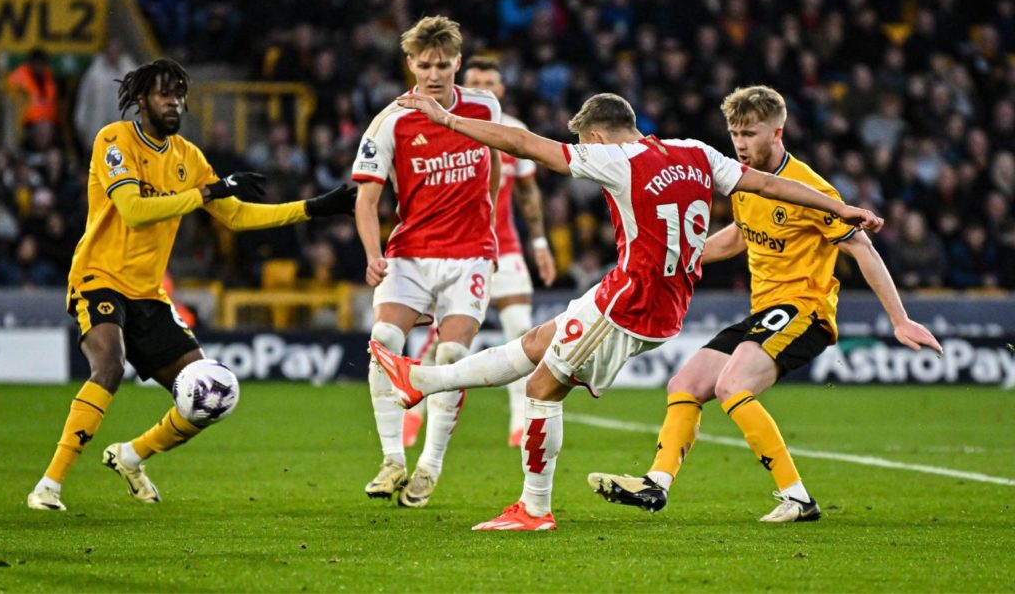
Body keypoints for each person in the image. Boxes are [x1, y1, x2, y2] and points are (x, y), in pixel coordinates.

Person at [370, 91, 883, 531]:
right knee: (534, 344)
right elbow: (770, 185)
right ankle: (424, 381)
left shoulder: (614, 159)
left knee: (541, 388)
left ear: (595, 136)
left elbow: (525, 145)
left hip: (631, 304)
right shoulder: (697, 152)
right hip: (650, 296)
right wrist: (839, 207)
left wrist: (449, 120)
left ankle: (534, 507)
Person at [587, 85, 942, 523]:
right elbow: (739, 235)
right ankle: (655, 485)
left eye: (749, 133)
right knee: (685, 382)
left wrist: (900, 319)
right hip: (766, 313)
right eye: (734, 132)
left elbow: (863, 249)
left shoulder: (808, 188)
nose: (739, 142)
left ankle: (797, 498)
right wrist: (682, 253)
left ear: (778, 131)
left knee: (732, 386)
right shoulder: (742, 180)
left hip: (805, 311)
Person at [26, 59, 356, 511]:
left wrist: (314, 207)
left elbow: (236, 215)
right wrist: (207, 194)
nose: (175, 102)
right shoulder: (114, 140)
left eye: (180, 95)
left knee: (211, 394)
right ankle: (50, 485)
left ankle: (132, 455)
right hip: (98, 278)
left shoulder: (188, 157)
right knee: (109, 366)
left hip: (148, 293)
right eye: (165, 94)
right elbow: (134, 209)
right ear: (142, 99)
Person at [352, 16, 502, 508]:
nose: (434, 74)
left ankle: (430, 465)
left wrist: (492, 227)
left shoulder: (485, 107)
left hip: (468, 255)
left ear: (458, 63)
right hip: (411, 254)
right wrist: (374, 255)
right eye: (424, 65)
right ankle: (392, 458)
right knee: (384, 341)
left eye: (443, 65)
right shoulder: (390, 121)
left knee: (452, 358)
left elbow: (496, 164)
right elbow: (366, 200)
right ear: (410, 65)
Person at [463, 57, 556, 446]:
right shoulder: (448, 125)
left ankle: (520, 422)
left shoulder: (516, 132)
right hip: (456, 250)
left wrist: (539, 242)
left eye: (490, 82)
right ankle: (415, 414)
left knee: (520, 331)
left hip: (505, 246)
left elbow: (526, 193)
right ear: (463, 86)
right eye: (475, 81)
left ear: (502, 89)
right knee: (447, 341)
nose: (483, 87)